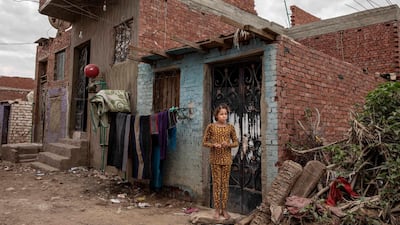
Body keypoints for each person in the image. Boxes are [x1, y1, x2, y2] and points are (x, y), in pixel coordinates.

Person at [202, 104, 239, 220]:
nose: (224, 116)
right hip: (215, 160)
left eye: (226, 114)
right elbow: (204, 142)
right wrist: (213, 145)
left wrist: (228, 144)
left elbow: (236, 142)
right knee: (217, 185)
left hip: (227, 160)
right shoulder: (211, 127)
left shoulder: (230, 128)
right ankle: (217, 210)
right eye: (221, 114)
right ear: (216, 116)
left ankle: (224, 209)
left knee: (225, 185)